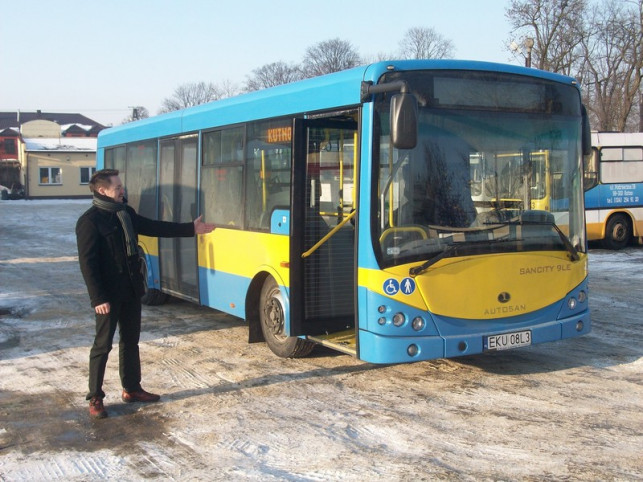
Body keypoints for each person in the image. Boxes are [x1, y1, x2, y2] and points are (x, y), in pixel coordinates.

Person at [76, 169, 215, 419]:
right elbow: (88, 264)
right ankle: (95, 396)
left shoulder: (125, 213)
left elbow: (152, 226)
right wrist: (98, 299)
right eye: (117, 187)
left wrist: (190, 229)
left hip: (131, 289)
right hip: (108, 296)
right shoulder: (90, 221)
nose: (122, 190)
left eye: (121, 186)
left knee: (130, 341)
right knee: (102, 345)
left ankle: (131, 389)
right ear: (102, 190)